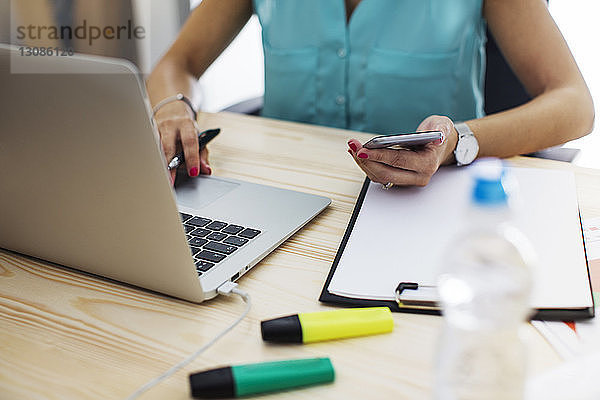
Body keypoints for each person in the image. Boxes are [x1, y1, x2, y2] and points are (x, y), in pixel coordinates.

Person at [147, 0, 594, 187]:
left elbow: (574, 103)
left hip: (425, 203)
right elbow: (175, 65)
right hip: (281, 194)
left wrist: (457, 140)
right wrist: (171, 110)